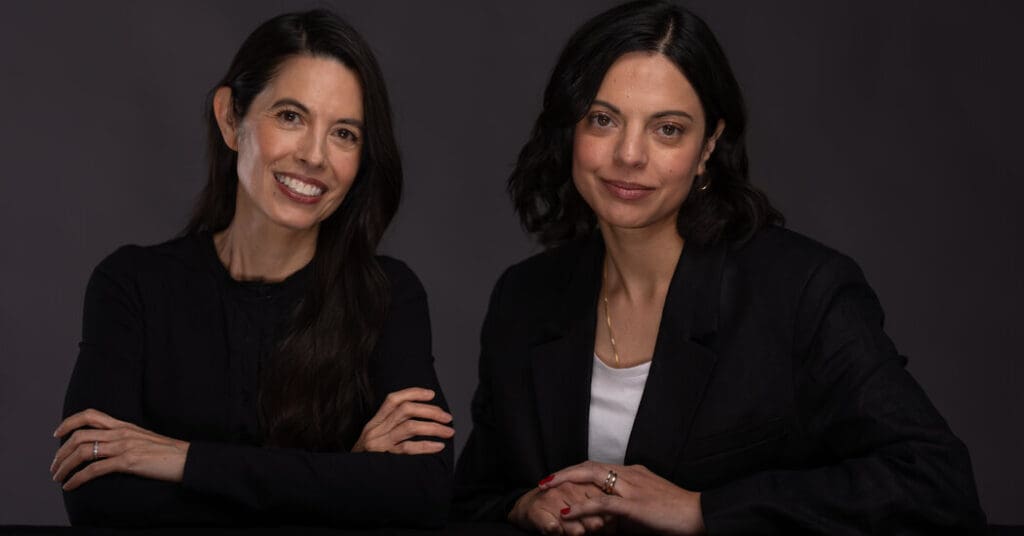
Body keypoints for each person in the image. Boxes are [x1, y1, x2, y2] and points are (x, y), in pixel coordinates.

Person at [452, 1, 986, 534]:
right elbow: (474, 500)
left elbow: (937, 484)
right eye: (603, 119)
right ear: (569, 127)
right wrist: (523, 507)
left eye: (667, 129)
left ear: (709, 144)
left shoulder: (801, 292)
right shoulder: (523, 298)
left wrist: (703, 509)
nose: (629, 154)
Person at [50, 10, 453, 528]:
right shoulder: (132, 286)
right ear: (229, 118)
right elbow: (98, 497)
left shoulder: (387, 295)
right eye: (290, 116)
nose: (314, 156)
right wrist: (345, 477)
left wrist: (182, 459)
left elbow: (423, 494)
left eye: (345, 134)